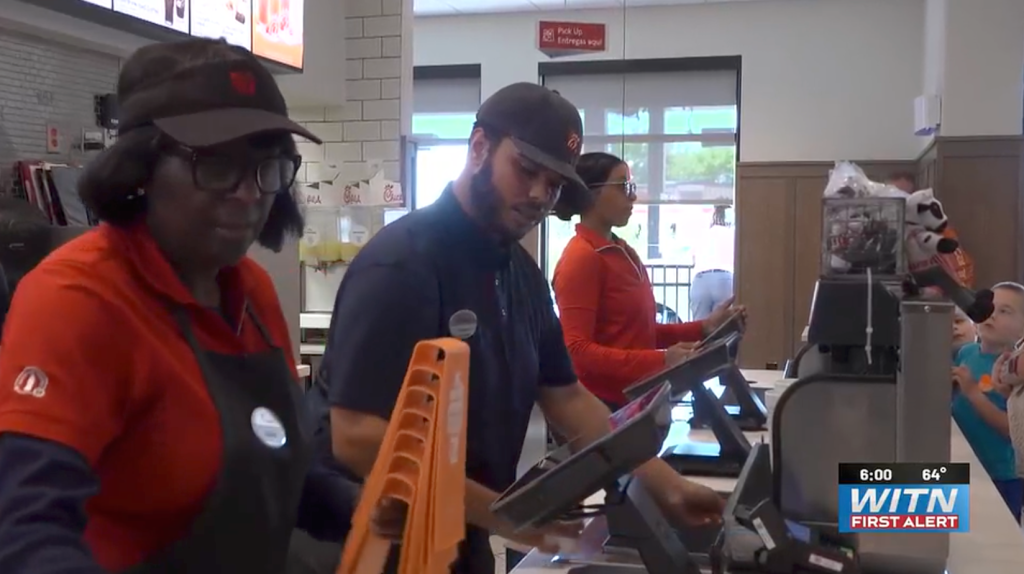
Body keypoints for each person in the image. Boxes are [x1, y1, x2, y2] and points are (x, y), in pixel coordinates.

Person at [0, 38, 387, 574]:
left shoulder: (250, 292)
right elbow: (24, 531)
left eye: (267, 167)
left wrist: (359, 508)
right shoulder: (77, 299)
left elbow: (272, 469)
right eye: (216, 164)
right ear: (140, 169)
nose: (250, 193)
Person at [316, 82, 725, 574]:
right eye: (526, 170)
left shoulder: (521, 274)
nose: (538, 194)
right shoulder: (403, 263)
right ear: (479, 147)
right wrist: (517, 523)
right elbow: (357, 437)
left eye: (552, 184)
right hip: (372, 541)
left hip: (458, 534)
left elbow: (567, 398)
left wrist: (664, 482)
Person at [550, 151, 745, 410]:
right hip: (602, 407)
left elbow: (641, 333)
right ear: (591, 193)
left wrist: (705, 327)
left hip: (636, 398)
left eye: (632, 187)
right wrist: (662, 360)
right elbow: (577, 351)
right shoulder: (582, 258)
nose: (632, 196)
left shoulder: (623, 251)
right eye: (623, 186)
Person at [952, 281, 1024, 521]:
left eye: (1004, 311)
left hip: (1001, 475)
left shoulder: (1015, 372)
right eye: (988, 306)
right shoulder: (965, 353)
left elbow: (1012, 430)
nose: (991, 314)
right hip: (964, 465)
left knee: (998, 533)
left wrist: (973, 393)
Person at [886, 171, 975, 287]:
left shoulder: (940, 231)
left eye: (904, 197)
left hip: (937, 297)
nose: (900, 205)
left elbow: (962, 272)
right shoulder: (884, 233)